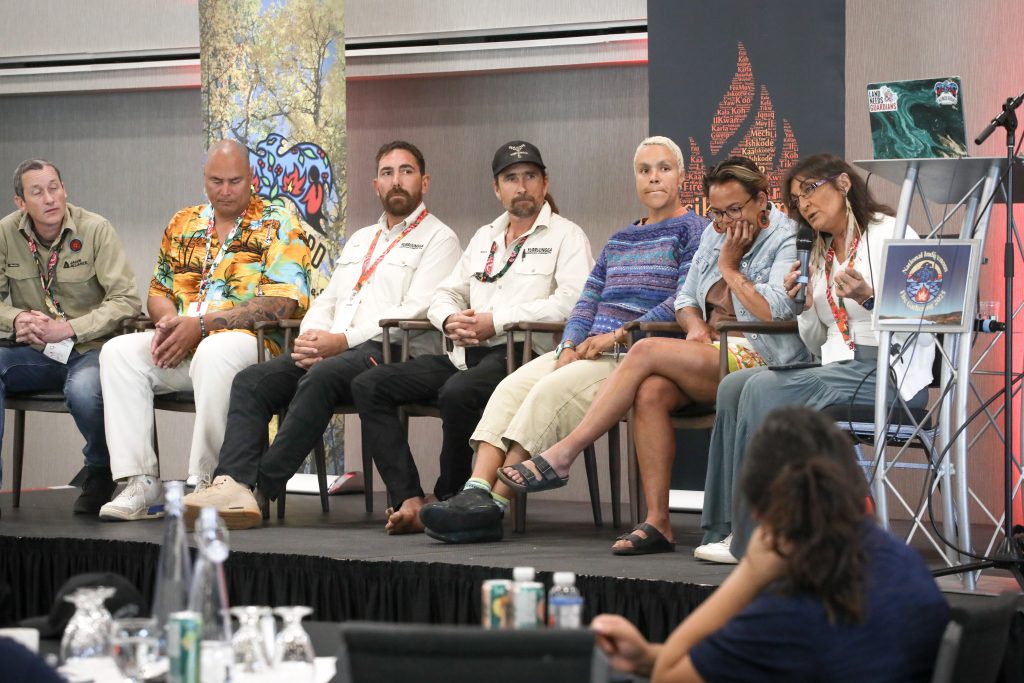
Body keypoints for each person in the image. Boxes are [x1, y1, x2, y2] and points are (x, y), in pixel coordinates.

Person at [492, 156, 808, 554]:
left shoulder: (787, 236)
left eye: (734, 210)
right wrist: (694, 327)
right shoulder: (714, 233)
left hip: (762, 353)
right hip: (710, 350)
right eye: (717, 213)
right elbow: (687, 298)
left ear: (762, 200)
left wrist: (730, 267)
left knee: (643, 350)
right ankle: (659, 522)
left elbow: (775, 311)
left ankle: (563, 454)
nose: (725, 222)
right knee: (651, 392)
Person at [419, 136, 706, 543]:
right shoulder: (622, 238)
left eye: (663, 168)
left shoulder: (696, 230)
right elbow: (587, 298)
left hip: (630, 353)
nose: (654, 178)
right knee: (509, 387)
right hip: (586, 346)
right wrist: (570, 344)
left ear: (681, 175)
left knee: (548, 391)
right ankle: (475, 492)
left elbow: (683, 300)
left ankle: (493, 509)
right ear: (635, 179)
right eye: (644, 170)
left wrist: (613, 337)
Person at [182, 141, 461, 529]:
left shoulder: (440, 239)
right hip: (333, 351)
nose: (396, 181)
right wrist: (312, 339)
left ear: (424, 182)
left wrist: (340, 343)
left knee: (322, 376)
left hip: (395, 351)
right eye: (386, 173)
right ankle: (232, 481)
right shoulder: (362, 239)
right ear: (375, 185)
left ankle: (260, 488)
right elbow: (329, 298)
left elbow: (414, 309)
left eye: (406, 171)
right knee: (252, 381)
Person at [591, 406, 949, 683]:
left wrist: (750, 573)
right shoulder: (905, 565)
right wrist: (647, 656)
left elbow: (670, 678)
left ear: (759, 512)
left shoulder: (790, 614)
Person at [694, 153, 934, 564]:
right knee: (735, 386)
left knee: (766, 388)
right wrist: (804, 304)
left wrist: (868, 297)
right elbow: (819, 336)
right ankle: (727, 526)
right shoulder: (819, 250)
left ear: (843, 184)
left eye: (810, 190)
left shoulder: (892, 233)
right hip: (839, 365)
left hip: (890, 372)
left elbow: (925, 318)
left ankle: (756, 539)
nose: (803, 203)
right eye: (795, 197)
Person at [351, 140, 593, 534]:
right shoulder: (485, 237)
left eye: (530, 177)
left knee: (458, 393)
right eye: (511, 179)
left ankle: (453, 498)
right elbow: (445, 293)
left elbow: (572, 304)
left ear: (545, 183)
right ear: (497, 190)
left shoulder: (567, 236)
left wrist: (496, 321)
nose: (521, 187)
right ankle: (409, 499)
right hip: (464, 353)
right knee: (369, 385)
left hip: (522, 355)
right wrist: (448, 319)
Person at [97, 139, 312, 522]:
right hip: (185, 343)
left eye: (234, 181)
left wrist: (200, 326)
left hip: (254, 347)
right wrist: (168, 323)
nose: (225, 190)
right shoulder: (184, 223)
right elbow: (158, 292)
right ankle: (140, 482)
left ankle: (207, 482)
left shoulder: (279, 220)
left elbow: (283, 303)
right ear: (204, 179)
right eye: (216, 181)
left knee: (217, 350)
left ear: (251, 178)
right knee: (118, 352)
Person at [0, 159, 141, 515]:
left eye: (54, 188)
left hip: (91, 348)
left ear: (64, 190)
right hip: (35, 351)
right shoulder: (5, 233)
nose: (50, 198)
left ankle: (99, 471)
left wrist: (71, 328)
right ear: (20, 203)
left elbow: (126, 301)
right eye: (37, 192)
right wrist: (16, 319)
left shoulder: (95, 230)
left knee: (83, 390)